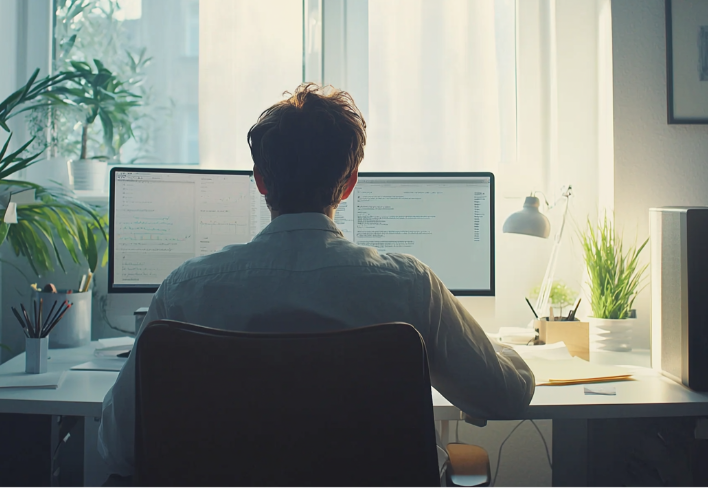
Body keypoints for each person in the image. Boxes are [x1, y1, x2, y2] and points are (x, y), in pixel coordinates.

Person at [98, 83, 535, 480]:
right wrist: (489, 345)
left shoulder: (185, 291)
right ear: (349, 185)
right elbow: (506, 396)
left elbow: (120, 449)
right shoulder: (410, 285)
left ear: (261, 181)